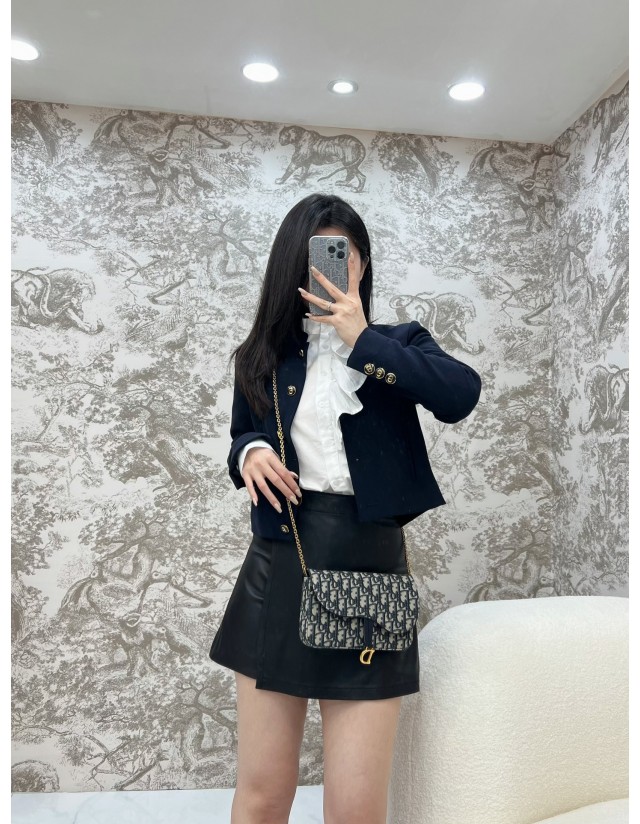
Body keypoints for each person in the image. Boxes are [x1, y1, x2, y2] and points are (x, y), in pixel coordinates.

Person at [208, 192, 482, 823]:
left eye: (345, 254)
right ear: (292, 264)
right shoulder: (263, 358)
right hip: (281, 564)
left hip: (371, 575)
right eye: (319, 254)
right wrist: (250, 452)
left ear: (362, 263)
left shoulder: (398, 345)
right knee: (262, 795)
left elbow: (460, 395)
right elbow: (243, 433)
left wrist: (361, 339)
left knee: (356, 808)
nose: (334, 265)